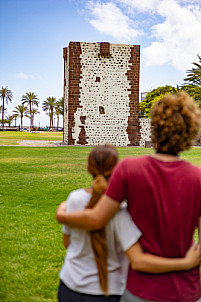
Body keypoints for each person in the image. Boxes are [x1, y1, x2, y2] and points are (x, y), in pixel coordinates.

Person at [57, 138, 201, 302]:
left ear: (88, 168)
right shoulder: (120, 213)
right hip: (107, 292)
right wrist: (186, 263)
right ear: (116, 171)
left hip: (69, 284)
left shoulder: (72, 200)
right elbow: (138, 260)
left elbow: (68, 242)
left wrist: (61, 214)